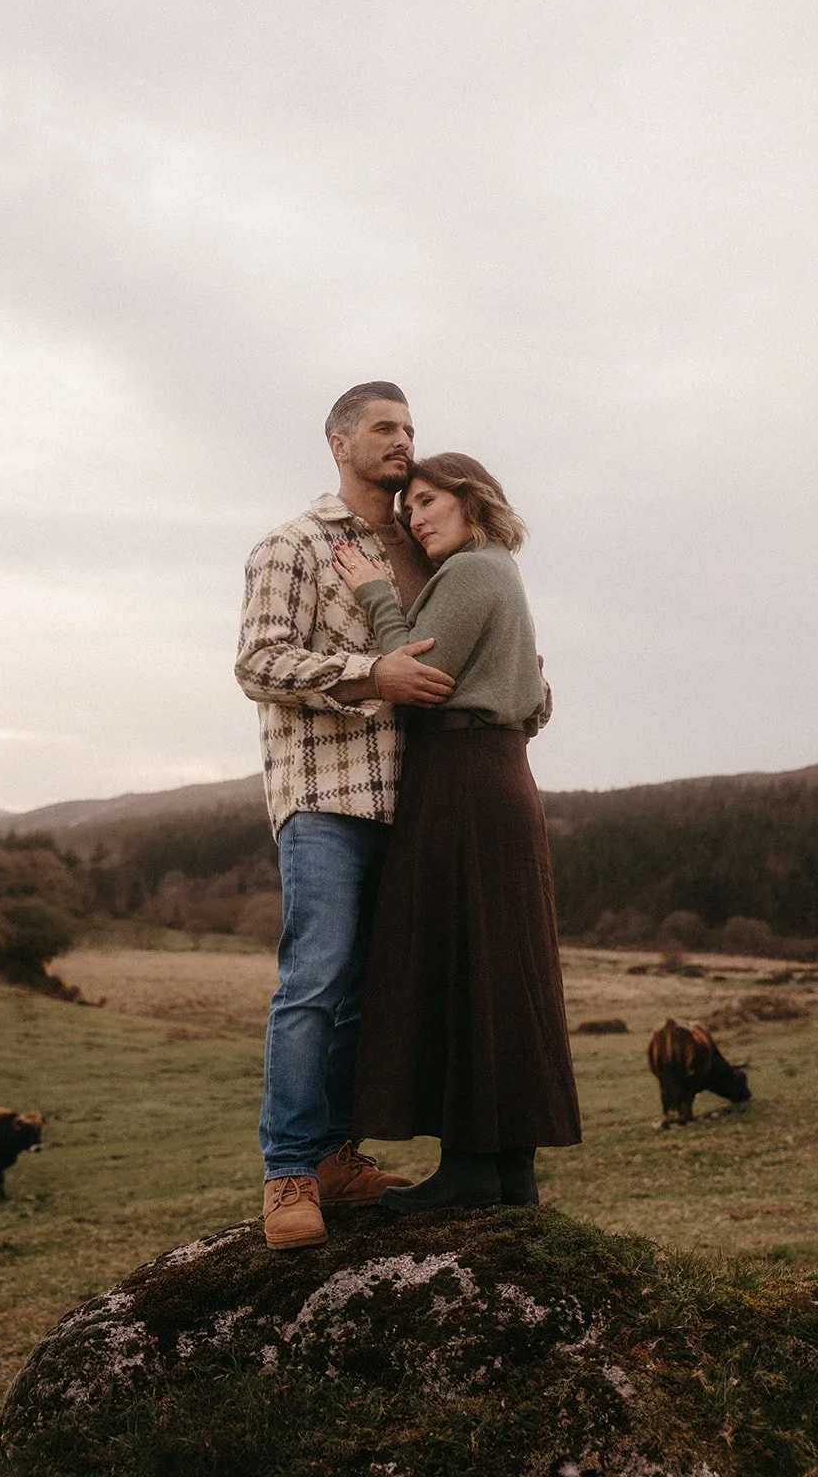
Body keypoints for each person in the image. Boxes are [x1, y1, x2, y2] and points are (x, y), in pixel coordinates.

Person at [235, 383, 456, 1250]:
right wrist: (371, 676)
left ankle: (335, 1158)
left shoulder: (427, 546)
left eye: (409, 428)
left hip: (416, 802)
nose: (402, 441)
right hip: (325, 794)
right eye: (384, 427)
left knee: (368, 991)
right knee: (315, 981)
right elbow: (257, 661)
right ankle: (287, 1174)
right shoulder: (293, 544)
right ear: (338, 442)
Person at [332, 453, 581, 1212]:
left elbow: (417, 673)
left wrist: (374, 592)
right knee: (501, 968)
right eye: (407, 506)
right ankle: (508, 1174)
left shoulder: (475, 571)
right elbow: (529, 700)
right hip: (492, 771)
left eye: (429, 500)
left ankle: (472, 1173)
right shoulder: (498, 572)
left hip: (463, 775)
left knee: (464, 958)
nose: (413, 515)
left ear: (473, 502)